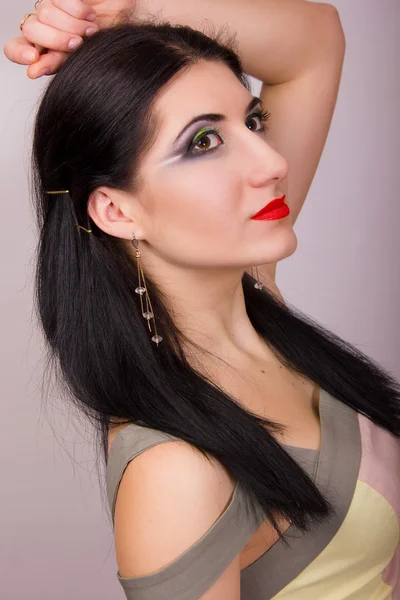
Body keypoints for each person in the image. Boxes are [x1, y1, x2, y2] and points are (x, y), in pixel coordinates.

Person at [4, 2, 400, 599]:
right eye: (205, 141)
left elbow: (315, 42)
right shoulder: (176, 469)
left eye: (255, 121)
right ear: (118, 210)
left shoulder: (256, 300)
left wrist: (124, 10)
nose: (272, 163)